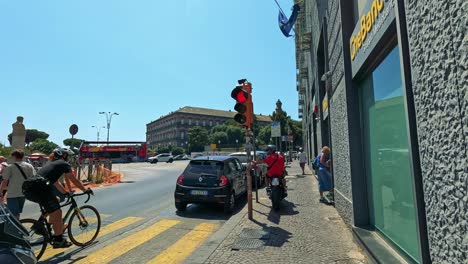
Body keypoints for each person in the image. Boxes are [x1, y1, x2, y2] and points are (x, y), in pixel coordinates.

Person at [32, 148, 93, 248]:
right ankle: (58, 240)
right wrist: (84, 190)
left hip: (31, 189)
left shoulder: (51, 163)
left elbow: (55, 182)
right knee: (58, 212)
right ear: (64, 155)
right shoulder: (63, 164)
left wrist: (65, 193)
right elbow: (73, 179)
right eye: (68, 156)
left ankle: (39, 224)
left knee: (56, 201)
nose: (69, 158)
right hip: (41, 189)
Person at [0, 150, 36, 219]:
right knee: (17, 212)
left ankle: (14, 228)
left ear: (14, 156)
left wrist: (1, 192)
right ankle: (17, 226)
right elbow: (33, 178)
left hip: (12, 194)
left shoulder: (10, 167)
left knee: (13, 213)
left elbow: (5, 181)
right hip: (23, 193)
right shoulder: (29, 166)